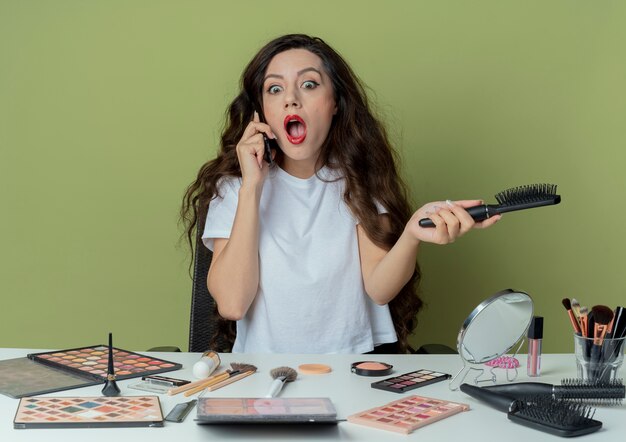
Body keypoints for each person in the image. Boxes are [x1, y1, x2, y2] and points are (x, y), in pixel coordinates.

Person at [181, 34, 500, 354]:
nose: (290, 99)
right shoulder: (235, 187)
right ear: (261, 113)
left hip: (352, 370)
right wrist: (252, 186)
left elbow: (379, 289)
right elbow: (233, 305)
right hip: (265, 373)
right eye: (274, 89)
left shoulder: (360, 179)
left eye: (309, 84)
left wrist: (412, 234)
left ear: (335, 103)